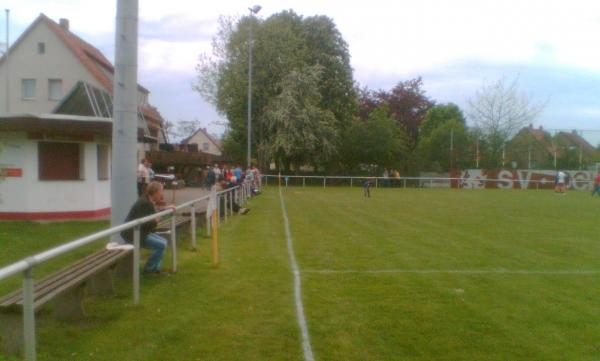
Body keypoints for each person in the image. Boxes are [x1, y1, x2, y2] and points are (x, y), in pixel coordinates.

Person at [121, 181, 175, 275]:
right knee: (161, 245)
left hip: (140, 232)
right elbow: (145, 223)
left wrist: (165, 209)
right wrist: (155, 221)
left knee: (164, 242)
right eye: (160, 191)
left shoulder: (147, 200)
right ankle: (149, 269)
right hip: (134, 234)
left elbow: (150, 216)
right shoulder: (145, 203)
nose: (162, 194)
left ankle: (156, 268)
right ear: (155, 192)